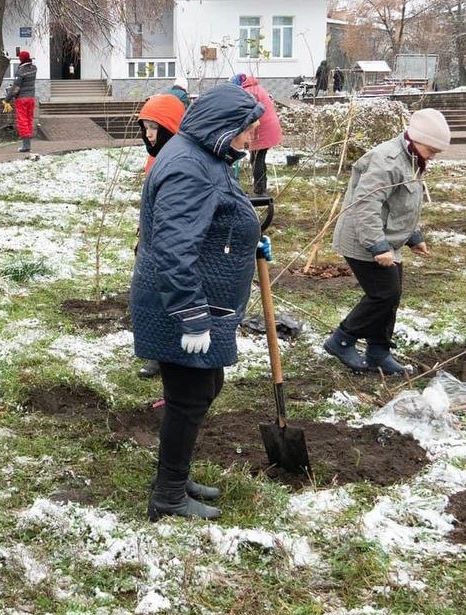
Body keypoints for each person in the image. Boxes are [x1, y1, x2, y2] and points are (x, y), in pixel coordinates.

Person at [131, 83, 265, 521]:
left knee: (203, 388)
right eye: (249, 130)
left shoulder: (207, 155)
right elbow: (173, 246)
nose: (252, 139)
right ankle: (168, 495)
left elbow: (210, 219)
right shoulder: (189, 166)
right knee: (189, 396)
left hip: (195, 295)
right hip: (180, 302)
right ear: (226, 126)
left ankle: (173, 475)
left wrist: (247, 238)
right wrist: (191, 315)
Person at [325, 109, 451, 376]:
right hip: (364, 237)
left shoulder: (413, 158)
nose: (433, 156)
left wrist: (413, 236)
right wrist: (377, 246)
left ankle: (378, 351)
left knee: (392, 296)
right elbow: (366, 204)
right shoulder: (388, 160)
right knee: (384, 294)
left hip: (388, 238)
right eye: (432, 149)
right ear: (416, 139)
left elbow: (402, 204)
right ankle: (342, 340)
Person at [135, 93, 186, 379]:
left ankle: (171, 352)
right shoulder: (155, 159)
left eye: (155, 127)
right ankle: (158, 353)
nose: (149, 134)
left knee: (170, 295)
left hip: (171, 244)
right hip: (152, 238)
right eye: (146, 127)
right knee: (154, 297)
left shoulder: (180, 161)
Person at [231, 73, 282, 196]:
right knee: (257, 158)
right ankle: (261, 186)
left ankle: (260, 189)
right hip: (266, 127)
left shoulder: (249, 91)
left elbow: (249, 114)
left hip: (263, 129)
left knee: (257, 158)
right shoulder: (254, 88)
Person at [3, 50, 37, 152]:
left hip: (22, 99)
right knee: (29, 120)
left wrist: (7, 99)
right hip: (31, 98)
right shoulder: (34, 68)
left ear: (21, 59)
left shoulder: (21, 71)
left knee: (22, 121)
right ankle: (28, 144)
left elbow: (16, 88)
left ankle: (26, 146)